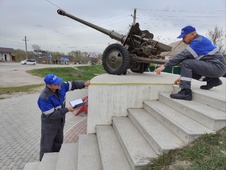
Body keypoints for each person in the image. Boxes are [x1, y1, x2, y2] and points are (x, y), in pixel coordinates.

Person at [154, 25, 226, 101]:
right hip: (216, 67)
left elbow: (182, 55)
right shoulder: (199, 40)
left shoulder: (198, 42)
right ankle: (212, 80)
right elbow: (189, 60)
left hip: (217, 67)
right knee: (186, 63)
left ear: (193, 34)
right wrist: (183, 76)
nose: (183, 40)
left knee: (186, 63)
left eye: (184, 37)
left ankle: (185, 92)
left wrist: (164, 66)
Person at [37, 73, 90, 161]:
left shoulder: (61, 86)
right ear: (49, 85)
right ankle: (43, 163)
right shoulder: (44, 98)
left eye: (58, 82)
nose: (59, 84)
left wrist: (84, 84)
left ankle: (55, 158)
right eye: (56, 83)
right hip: (50, 124)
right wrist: (67, 110)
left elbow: (73, 84)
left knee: (58, 141)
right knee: (47, 144)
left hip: (60, 121)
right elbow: (51, 115)